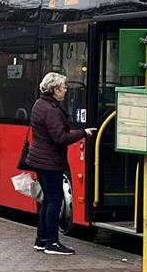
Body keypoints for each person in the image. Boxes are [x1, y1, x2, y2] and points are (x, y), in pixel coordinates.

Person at [26, 72, 96, 256]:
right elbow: (60, 137)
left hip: (40, 160)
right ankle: (52, 242)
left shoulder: (39, 104)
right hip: (50, 162)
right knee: (54, 201)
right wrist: (83, 133)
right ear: (55, 90)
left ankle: (41, 240)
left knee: (47, 200)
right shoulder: (51, 110)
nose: (66, 90)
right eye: (64, 87)